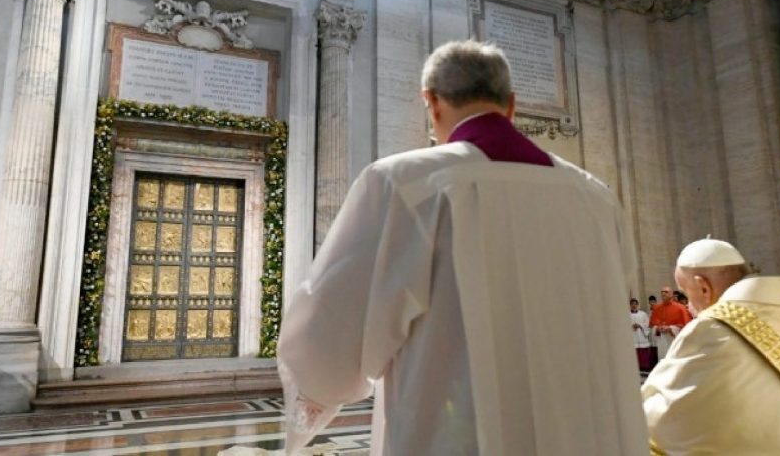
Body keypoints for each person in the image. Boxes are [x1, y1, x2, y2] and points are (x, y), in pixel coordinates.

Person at [277, 40, 648, 455]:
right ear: (511, 105)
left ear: (432, 102)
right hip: (587, 436)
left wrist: (313, 398)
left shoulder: (405, 185)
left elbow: (328, 333)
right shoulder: (596, 199)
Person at [642, 238, 780, 455]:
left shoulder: (711, 329)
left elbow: (664, 422)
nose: (689, 306)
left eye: (686, 293)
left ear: (703, 288)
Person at [648, 285, 691, 357]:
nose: (663, 294)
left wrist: (671, 328)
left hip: (674, 339)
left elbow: (686, 326)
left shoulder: (681, 308)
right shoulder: (656, 308)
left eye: (666, 292)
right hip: (662, 340)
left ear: (672, 294)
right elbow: (652, 326)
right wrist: (657, 328)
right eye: (662, 292)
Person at [630, 298, 652, 373]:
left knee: (643, 351)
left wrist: (639, 325)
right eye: (632, 304)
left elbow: (647, 324)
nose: (634, 305)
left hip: (641, 335)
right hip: (633, 335)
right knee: (635, 352)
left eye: (635, 304)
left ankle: (644, 367)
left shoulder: (643, 314)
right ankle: (636, 367)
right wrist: (632, 326)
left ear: (637, 305)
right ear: (630, 305)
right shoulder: (627, 314)